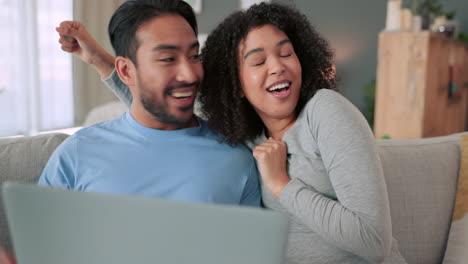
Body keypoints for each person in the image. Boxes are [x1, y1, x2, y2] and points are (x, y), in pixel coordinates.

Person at [57, 3, 407, 264]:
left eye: (287, 53)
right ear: (236, 84)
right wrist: (100, 59)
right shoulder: (244, 137)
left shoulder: (324, 111)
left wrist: (283, 185)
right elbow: (159, 99)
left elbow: (374, 239)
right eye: (257, 61)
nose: (277, 66)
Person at [39, 0, 261, 204]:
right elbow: (39, 241)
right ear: (125, 71)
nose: (191, 75)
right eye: (168, 59)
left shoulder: (236, 158)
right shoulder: (77, 154)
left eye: (194, 56)